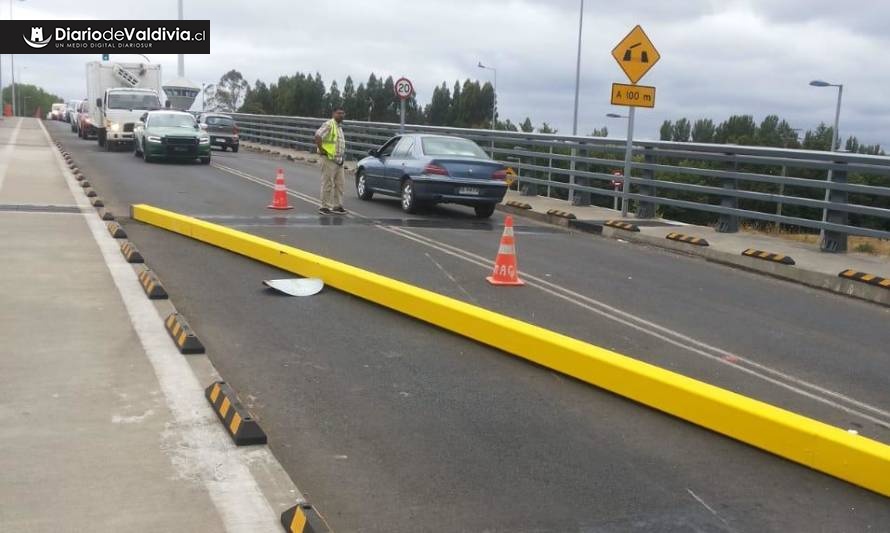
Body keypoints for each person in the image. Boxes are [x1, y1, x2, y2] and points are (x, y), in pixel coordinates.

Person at [314, 108, 347, 215]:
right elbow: (318, 135)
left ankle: (337, 206)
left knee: (340, 184)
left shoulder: (339, 127)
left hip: (338, 159)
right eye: (339, 113)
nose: (341, 115)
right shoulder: (329, 124)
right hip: (328, 158)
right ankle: (324, 207)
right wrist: (321, 149)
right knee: (327, 183)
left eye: (342, 113)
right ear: (333, 114)